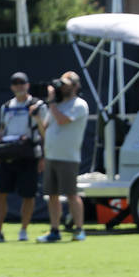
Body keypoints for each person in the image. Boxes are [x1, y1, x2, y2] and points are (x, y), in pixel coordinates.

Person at [0, 71, 47, 243]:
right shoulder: (6, 107)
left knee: (28, 195)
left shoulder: (38, 105)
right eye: (16, 84)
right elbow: (2, 131)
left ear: (28, 85)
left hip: (28, 155)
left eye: (22, 83)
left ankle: (23, 230)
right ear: (11, 87)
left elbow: (45, 133)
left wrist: (43, 157)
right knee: (0, 193)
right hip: (8, 155)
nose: (19, 87)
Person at [38, 71, 89, 242]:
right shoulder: (57, 105)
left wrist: (51, 102)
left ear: (75, 86)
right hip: (51, 155)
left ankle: (79, 229)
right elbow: (45, 127)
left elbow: (62, 121)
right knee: (52, 195)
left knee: (71, 194)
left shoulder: (79, 104)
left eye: (66, 84)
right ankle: (54, 230)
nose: (63, 87)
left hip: (68, 157)